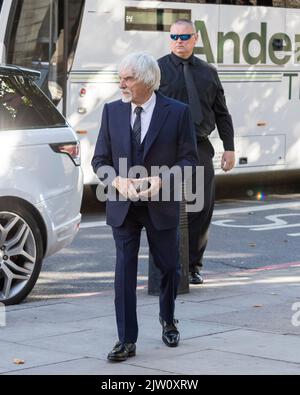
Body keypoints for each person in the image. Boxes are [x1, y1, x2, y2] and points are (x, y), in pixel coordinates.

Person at [92, 53, 198, 362]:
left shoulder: (178, 112)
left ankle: (168, 318)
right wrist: (115, 181)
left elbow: (189, 159)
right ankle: (126, 339)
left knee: (168, 267)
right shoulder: (111, 111)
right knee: (123, 272)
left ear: (148, 81)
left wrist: (163, 180)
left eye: (127, 78)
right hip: (123, 206)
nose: (120, 84)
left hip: (161, 202)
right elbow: (100, 160)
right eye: (120, 77)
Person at [158, 19, 235, 285]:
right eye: (174, 37)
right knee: (166, 208)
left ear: (195, 39)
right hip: (167, 147)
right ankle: (167, 264)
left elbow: (222, 113)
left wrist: (229, 148)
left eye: (184, 37)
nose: (179, 41)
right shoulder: (157, 70)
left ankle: (192, 266)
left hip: (200, 145)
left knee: (201, 208)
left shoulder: (208, 72)